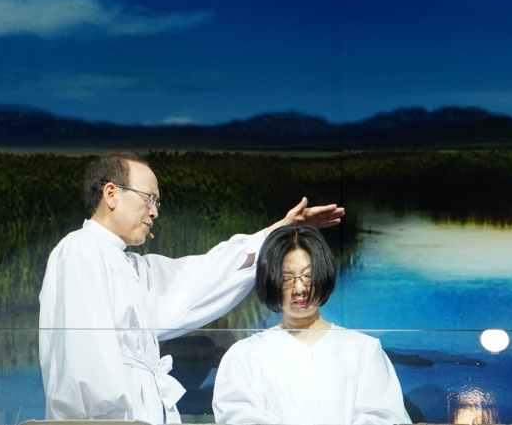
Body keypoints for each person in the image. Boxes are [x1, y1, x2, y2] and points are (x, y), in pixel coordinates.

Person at [38, 152, 345, 423]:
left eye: (157, 202)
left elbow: (204, 275)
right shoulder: (81, 250)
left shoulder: (128, 265)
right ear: (111, 193)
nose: (154, 212)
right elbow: (87, 359)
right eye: (149, 198)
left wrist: (278, 232)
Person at [212, 224, 411, 425]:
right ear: (271, 282)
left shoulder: (363, 350)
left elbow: (383, 417)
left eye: (308, 276)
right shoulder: (246, 355)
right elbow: (239, 416)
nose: (299, 288)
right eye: (286, 278)